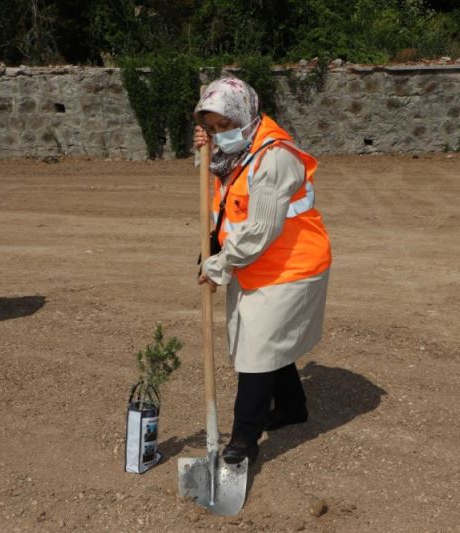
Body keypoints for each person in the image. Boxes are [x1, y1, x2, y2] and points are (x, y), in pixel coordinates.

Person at [193, 77, 332, 465]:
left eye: (226, 126)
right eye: (213, 128)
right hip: (256, 263)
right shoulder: (236, 151)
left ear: (246, 116)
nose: (222, 135)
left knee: (255, 351)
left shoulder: (274, 157)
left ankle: (243, 442)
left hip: (293, 265)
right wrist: (203, 153)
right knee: (267, 337)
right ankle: (292, 408)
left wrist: (219, 264)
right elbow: (226, 196)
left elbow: (261, 228)